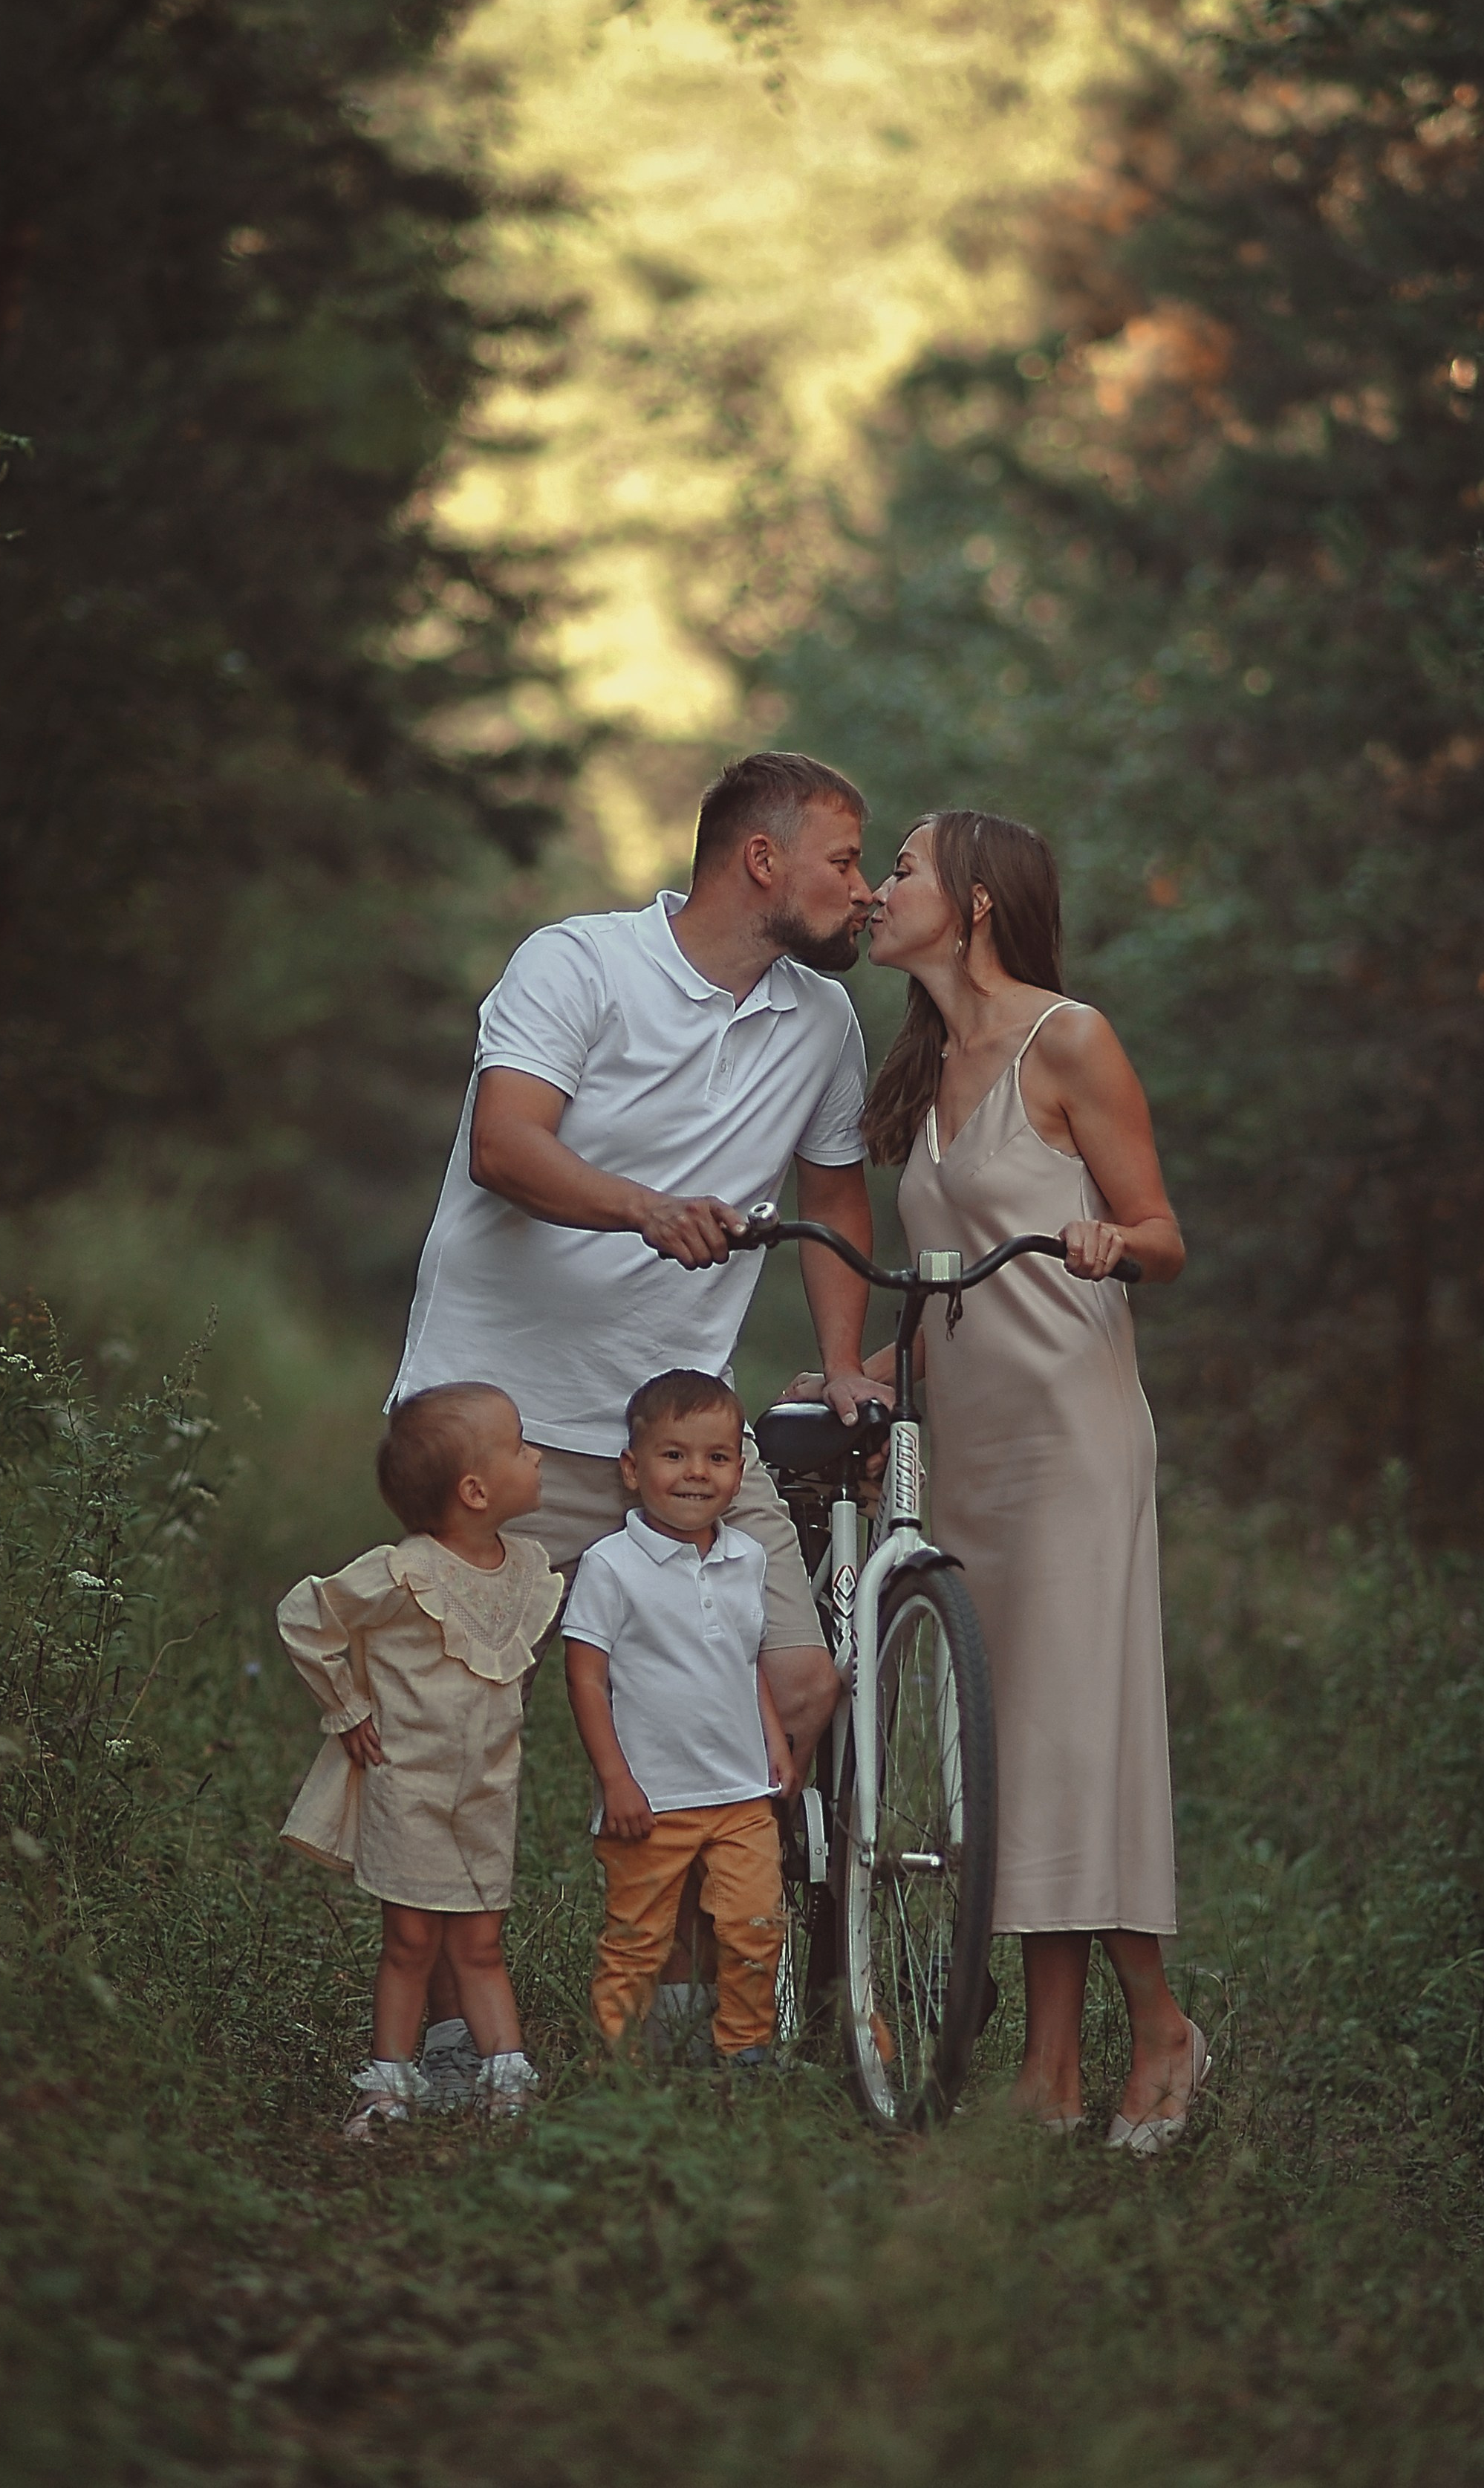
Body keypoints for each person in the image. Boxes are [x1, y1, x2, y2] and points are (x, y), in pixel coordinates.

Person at [392, 752, 888, 2045]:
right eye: (844, 860)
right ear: (761, 859)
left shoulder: (823, 1022)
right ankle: (444, 2041)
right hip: (499, 1418)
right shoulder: (578, 962)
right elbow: (504, 1143)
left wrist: (843, 1362)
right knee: (461, 1735)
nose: (864, 890)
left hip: (678, 1434)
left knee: (791, 1680)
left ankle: (681, 2005)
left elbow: (836, 1197)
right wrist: (644, 1209)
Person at [854, 808, 1206, 2152]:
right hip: (971, 1445)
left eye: (900, 867)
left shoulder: (1068, 1038)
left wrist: (1112, 1240)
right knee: (1008, 1751)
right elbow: (940, 1289)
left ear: (976, 900)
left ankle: (1157, 2025)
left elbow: (1164, 1234)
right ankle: (1048, 2070)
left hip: (1070, 1433)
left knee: (1066, 1734)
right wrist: (866, 1377)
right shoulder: (924, 1065)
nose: (877, 887)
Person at [276, 1383, 559, 2138]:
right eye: (520, 1446)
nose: (536, 1456)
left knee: (481, 1944)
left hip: (487, 1793)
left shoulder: (525, 1568)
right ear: (475, 1491)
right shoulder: (405, 1572)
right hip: (411, 1790)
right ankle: (388, 2087)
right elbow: (306, 1617)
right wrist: (346, 1708)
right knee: (409, 1943)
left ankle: (506, 2085)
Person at [562, 1370, 799, 2068]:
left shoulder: (746, 1557)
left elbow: (746, 1658)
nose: (696, 1473)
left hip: (740, 1794)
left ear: (739, 1471)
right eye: (674, 1455)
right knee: (637, 1939)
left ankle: (745, 2051)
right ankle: (618, 2065)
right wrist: (615, 1781)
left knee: (755, 1925)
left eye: (717, 1457)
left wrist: (772, 1742)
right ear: (632, 1470)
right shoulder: (611, 1565)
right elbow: (585, 1676)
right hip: (651, 1801)